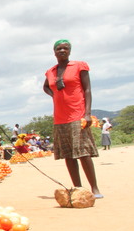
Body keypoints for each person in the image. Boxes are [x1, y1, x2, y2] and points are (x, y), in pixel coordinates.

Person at [43, 39, 102, 198]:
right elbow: (46, 86)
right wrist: (53, 94)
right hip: (60, 118)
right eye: (59, 49)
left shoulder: (79, 66)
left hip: (78, 114)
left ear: (69, 51)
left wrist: (87, 113)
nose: (62, 51)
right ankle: (78, 188)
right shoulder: (51, 72)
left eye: (65, 48)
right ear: (54, 52)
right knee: (68, 154)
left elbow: (88, 90)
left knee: (83, 153)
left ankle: (94, 188)